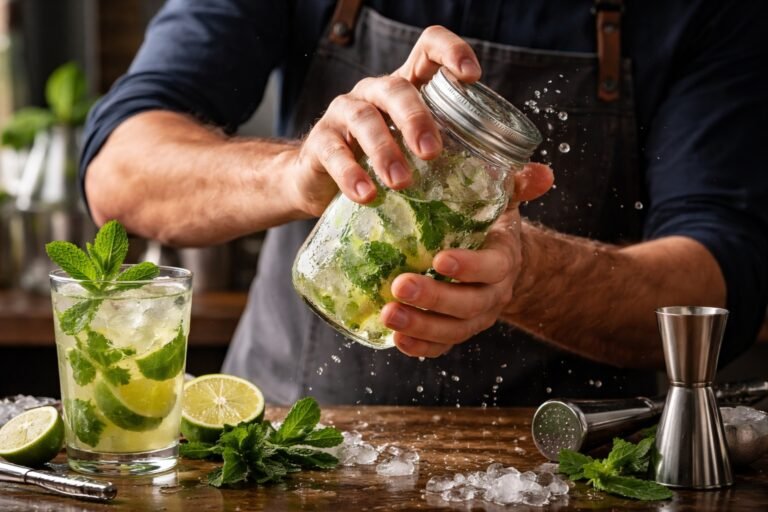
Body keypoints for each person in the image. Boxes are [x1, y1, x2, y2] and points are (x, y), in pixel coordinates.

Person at [80, 0, 768, 406]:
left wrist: (525, 273)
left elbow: (720, 284)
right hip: (288, 437)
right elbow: (121, 169)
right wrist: (297, 174)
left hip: (570, 463)